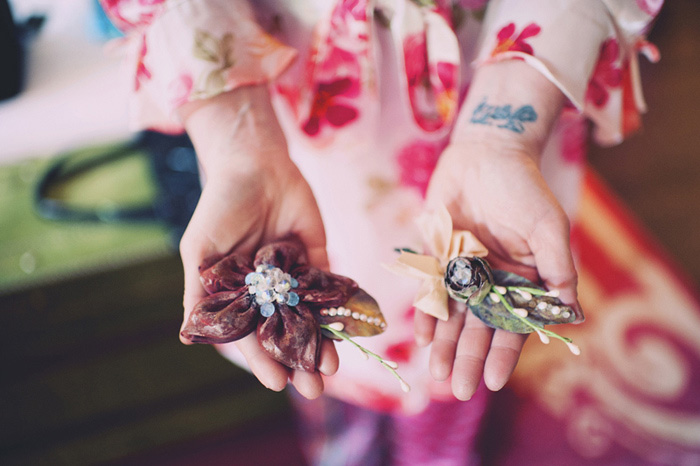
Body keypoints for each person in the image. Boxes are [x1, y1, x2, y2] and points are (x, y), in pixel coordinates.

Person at [101, 0, 661, 463]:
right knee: (314, 345)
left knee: (455, 355)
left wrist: (503, 131)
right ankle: (345, 436)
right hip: (285, 109)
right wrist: (240, 147)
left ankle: (439, 446)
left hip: (501, 92)